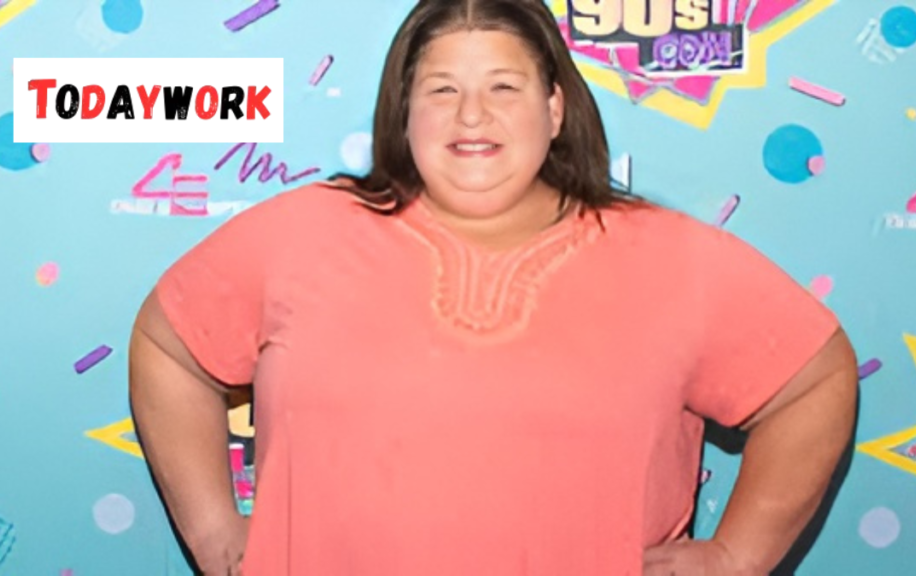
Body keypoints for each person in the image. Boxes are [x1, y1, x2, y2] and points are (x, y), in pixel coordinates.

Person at [128, 0, 859, 574]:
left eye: (503, 87)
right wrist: (214, 531)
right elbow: (169, 347)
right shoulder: (302, 231)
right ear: (405, 113)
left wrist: (736, 556)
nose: (471, 114)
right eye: (442, 89)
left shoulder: (667, 258)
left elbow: (811, 380)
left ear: (554, 109)